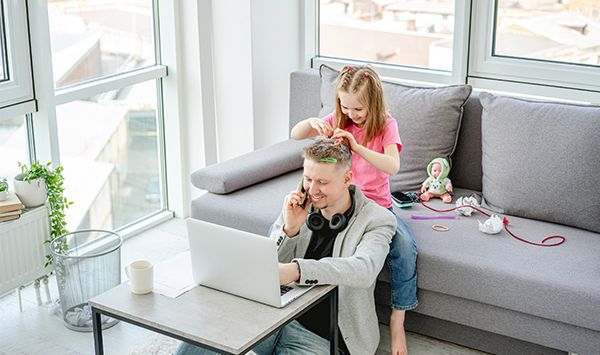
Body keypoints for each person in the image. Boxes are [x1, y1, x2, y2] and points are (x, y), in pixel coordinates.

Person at [175, 137, 395, 355]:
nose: (313, 189)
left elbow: (364, 269)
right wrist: (290, 230)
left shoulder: (377, 219)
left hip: (327, 339)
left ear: (347, 178)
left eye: (323, 182)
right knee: (206, 334)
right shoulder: (298, 205)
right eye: (308, 179)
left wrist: (298, 270)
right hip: (278, 319)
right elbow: (267, 265)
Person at [290, 65, 418, 355]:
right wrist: (311, 122)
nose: (351, 114)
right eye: (345, 107)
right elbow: (296, 134)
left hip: (374, 206)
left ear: (373, 102)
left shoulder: (386, 125)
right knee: (290, 223)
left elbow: (392, 165)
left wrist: (357, 147)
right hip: (342, 202)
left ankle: (398, 321)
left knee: (405, 246)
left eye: (357, 109)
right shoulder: (339, 119)